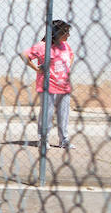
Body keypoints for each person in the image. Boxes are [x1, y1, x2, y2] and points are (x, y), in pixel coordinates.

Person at [24, 19, 74, 150]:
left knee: (63, 114)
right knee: (47, 113)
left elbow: (71, 56)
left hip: (64, 86)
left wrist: (66, 70)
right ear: (57, 33)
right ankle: (43, 139)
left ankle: (64, 140)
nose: (68, 35)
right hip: (48, 86)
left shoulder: (65, 46)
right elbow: (25, 56)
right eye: (66, 32)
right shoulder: (42, 46)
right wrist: (37, 69)